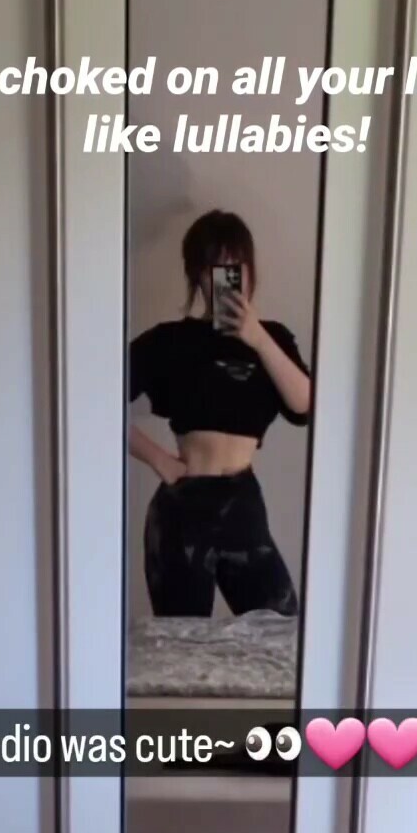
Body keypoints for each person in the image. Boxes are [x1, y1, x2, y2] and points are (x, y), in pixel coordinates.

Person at [129, 209, 311, 617]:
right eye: (216, 267)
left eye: (237, 265)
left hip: (242, 502)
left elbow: (305, 406)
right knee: (181, 641)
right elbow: (94, 397)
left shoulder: (273, 339)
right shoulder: (170, 341)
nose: (229, 277)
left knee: (281, 633)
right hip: (182, 508)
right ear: (198, 275)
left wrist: (257, 338)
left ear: (250, 270)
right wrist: (158, 459)